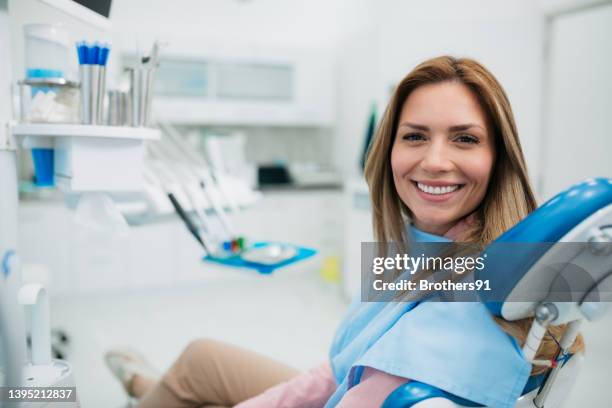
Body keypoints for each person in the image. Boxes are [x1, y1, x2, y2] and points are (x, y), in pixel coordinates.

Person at [105, 56, 584, 408]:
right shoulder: (432, 250)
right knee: (202, 358)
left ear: (499, 158)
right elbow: (340, 369)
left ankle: (144, 388)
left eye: (465, 138)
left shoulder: (462, 312)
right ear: (389, 151)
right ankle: (149, 385)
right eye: (415, 135)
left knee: (196, 383)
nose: (435, 161)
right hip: (342, 389)